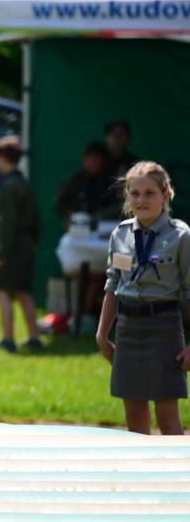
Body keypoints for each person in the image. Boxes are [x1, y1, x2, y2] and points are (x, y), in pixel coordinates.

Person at [96, 161, 190, 435]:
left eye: (149, 193)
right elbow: (112, 285)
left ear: (166, 195)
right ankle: (138, 477)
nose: (141, 199)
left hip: (163, 328)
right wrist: (102, 334)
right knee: (134, 417)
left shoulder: (181, 236)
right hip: (128, 330)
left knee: (167, 416)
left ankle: (178, 476)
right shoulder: (121, 234)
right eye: (134, 193)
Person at [0, 136, 43, 353]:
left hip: (15, 245)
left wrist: (3, 253)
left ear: (3, 158)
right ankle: (34, 337)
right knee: (22, 291)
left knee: (3, 291)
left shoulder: (9, 187)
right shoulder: (23, 183)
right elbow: (36, 218)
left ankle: (8, 339)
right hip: (26, 243)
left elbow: (8, 224)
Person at [55, 141, 117, 225]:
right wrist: (72, 215)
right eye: (89, 157)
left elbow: (119, 206)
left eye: (97, 158)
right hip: (79, 226)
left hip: (105, 227)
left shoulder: (111, 181)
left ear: (103, 160)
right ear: (84, 158)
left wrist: (100, 215)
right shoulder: (74, 181)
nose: (93, 161)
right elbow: (59, 206)